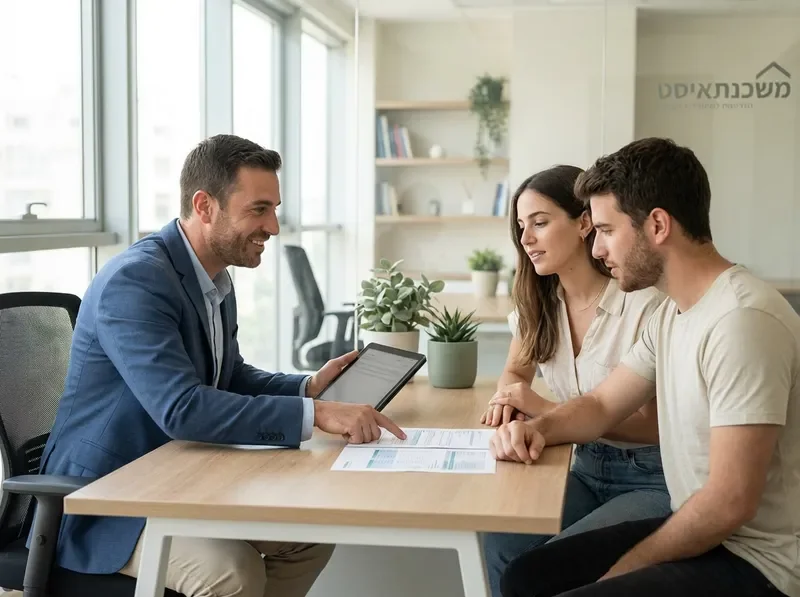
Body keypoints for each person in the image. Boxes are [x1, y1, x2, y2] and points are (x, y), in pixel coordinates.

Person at [36, 134, 406, 597]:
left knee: (307, 539)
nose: (273, 226)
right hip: (106, 500)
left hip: (178, 477)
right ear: (204, 206)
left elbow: (227, 376)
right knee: (232, 573)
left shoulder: (213, 277)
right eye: (259, 209)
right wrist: (318, 415)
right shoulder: (136, 281)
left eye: (274, 209)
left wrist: (307, 388)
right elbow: (183, 408)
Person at [491, 137, 800, 597]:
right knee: (525, 577)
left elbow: (729, 503)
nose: (597, 249)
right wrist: (540, 428)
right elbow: (601, 405)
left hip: (757, 561)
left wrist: (624, 570)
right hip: (702, 529)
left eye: (606, 230)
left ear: (657, 225)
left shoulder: (741, 321)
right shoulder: (672, 313)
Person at [479, 165, 671, 597]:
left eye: (540, 223)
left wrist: (546, 411)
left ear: (585, 223)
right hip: (581, 465)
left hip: (650, 477)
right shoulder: (540, 302)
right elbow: (516, 371)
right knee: (501, 541)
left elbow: (656, 425)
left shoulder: (645, 305)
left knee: (551, 566)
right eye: (521, 226)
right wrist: (508, 402)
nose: (526, 239)